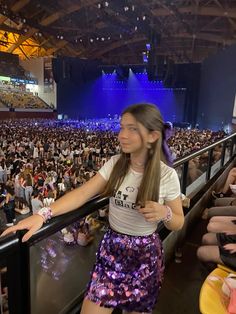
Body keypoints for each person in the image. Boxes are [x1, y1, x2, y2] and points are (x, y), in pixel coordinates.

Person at [1, 103, 184, 314]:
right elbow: (82, 193)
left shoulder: (167, 176)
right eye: (122, 127)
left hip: (145, 257)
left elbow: (178, 221)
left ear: (152, 136)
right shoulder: (116, 164)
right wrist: (43, 214)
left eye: (132, 129)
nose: (122, 134)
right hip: (112, 251)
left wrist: (165, 213)